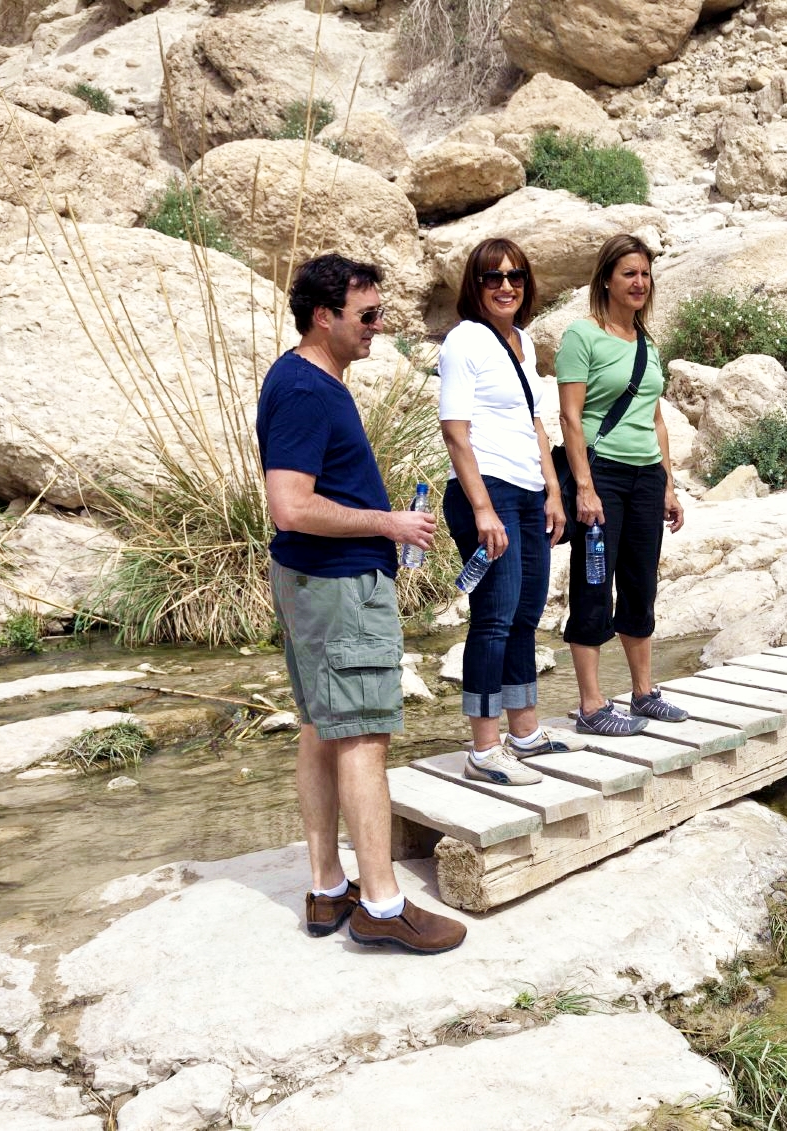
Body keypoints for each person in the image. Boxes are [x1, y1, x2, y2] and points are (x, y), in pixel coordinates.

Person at [257, 253, 466, 954]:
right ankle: (381, 901)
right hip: (340, 587)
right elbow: (290, 506)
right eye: (368, 316)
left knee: (320, 724)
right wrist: (388, 524)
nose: (379, 327)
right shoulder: (307, 390)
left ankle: (326, 889)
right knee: (363, 735)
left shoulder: (307, 380)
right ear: (326, 316)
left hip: (315, 584)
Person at [438, 238, 569, 786]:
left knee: (525, 612)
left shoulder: (523, 340)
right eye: (493, 278)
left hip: (528, 491)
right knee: (494, 616)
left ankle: (525, 732)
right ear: (476, 285)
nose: (506, 286)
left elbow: (538, 424)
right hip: (485, 491)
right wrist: (483, 509)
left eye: (515, 277)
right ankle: (484, 747)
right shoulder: (464, 340)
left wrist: (554, 492)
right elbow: (455, 431)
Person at [556, 233, 689, 736]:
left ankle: (643, 693)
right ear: (606, 279)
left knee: (640, 582)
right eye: (629, 273)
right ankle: (591, 707)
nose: (639, 282)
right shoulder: (581, 336)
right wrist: (584, 489)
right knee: (594, 581)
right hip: (603, 474)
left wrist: (669, 485)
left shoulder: (648, 345)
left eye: (645, 274)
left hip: (646, 476)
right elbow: (570, 418)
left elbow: (655, 419)